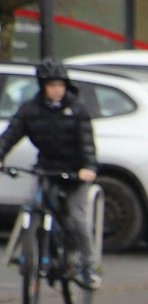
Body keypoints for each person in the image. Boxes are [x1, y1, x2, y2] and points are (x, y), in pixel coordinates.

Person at [0, 58, 100, 288]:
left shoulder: (77, 109)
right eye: (52, 85)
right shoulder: (30, 110)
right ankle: (33, 251)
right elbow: (10, 134)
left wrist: (88, 168)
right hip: (47, 168)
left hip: (75, 171)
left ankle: (88, 266)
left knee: (75, 218)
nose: (57, 90)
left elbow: (87, 143)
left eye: (60, 85)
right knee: (35, 205)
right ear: (42, 86)